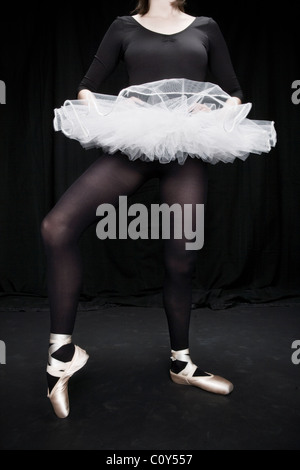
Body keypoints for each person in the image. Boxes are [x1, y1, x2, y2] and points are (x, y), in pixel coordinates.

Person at [42, 0, 276, 418]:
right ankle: (61, 354)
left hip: (187, 147)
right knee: (57, 226)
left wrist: (216, 107)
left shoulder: (205, 26)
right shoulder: (122, 27)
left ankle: (181, 363)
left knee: (181, 259)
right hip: (135, 144)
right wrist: (116, 104)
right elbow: (85, 86)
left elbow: (236, 91)